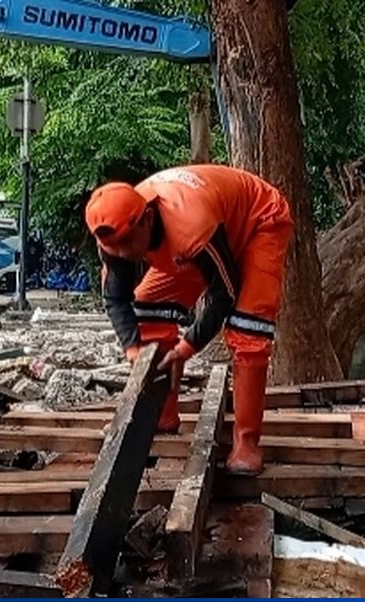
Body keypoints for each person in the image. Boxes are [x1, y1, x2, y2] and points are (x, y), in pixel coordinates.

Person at [85, 165, 295, 476]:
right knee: (147, 307)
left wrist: (185, 349)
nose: (123, 254)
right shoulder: (114, 237)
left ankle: (246, 441)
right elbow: (117, 299)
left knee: (248, 329)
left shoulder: (191, 227)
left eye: (127, 243)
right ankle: (161, 414)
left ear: (147, 219)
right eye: (113, 248)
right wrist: (133, 349)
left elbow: (224, 295)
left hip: (258, 221)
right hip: (204, 240)